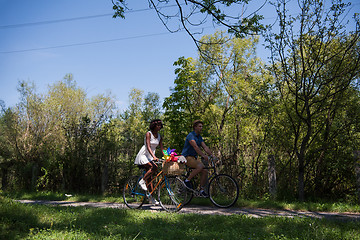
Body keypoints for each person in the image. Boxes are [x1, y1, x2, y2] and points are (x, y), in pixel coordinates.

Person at [134, 119, 164, 204]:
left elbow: (162, 148)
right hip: (144, 155)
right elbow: (148, 146)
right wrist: (154, 156)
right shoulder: (148, 134)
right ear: (154, 126)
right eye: (158, 125)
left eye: (160, 125)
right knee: (154, 167)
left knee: (150, 179)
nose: (159, 127)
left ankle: (151, 198)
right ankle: (142, 181)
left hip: (150, 156)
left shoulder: (159, 136)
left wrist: (168, 156)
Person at [181, 120, 213, 197]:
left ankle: (201, 190)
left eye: (202, 126)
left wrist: (212, 155)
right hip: (186, 157)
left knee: (205, 171)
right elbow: (195, 147)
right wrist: (203, 155)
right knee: (200, 166)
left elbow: (205, 147)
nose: (201, 128)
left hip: (193, 157)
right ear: (195, 127)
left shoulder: (199, 137)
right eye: (199, 126)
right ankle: (187, 180)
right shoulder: (191, 135)